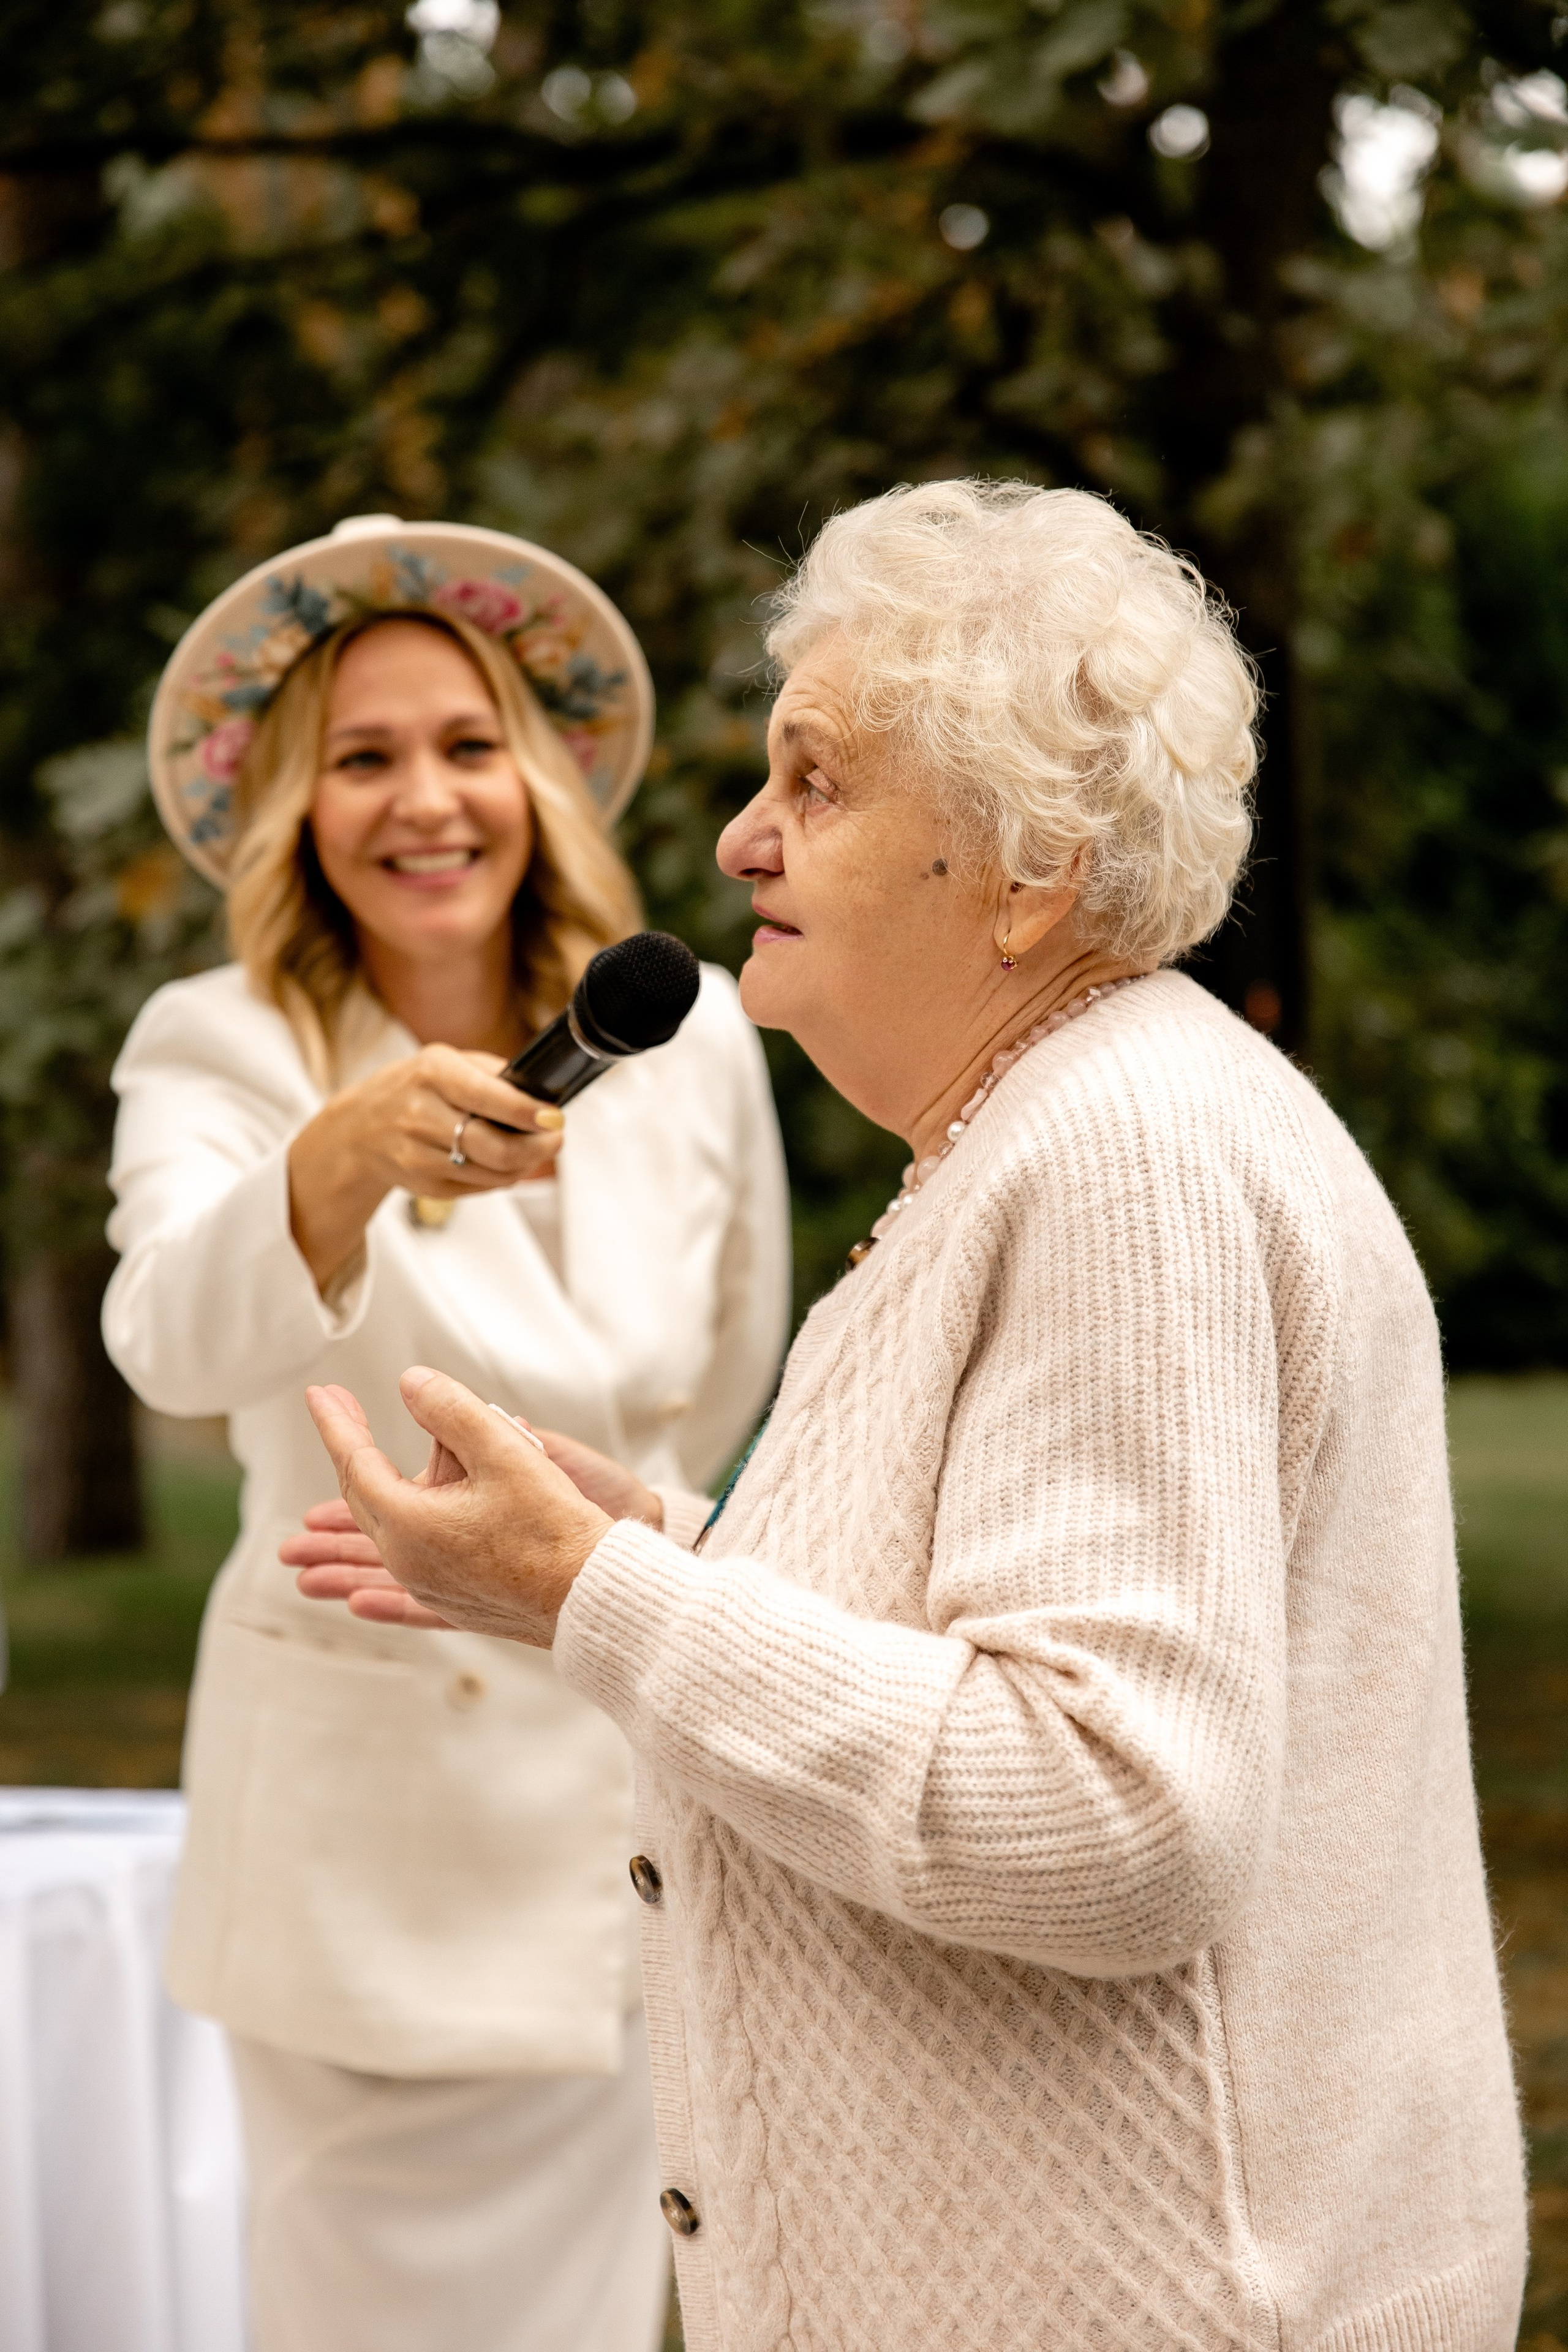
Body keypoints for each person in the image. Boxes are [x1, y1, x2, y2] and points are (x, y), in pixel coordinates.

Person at [293, 482, 1527, 2352]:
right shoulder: (1055, 1128)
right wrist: (651, 1551)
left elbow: (1116, 1810)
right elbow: (985, 1642)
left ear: (1027, 869)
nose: (740, 837)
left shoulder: (1129, 1156)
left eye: (818, 781)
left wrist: (603, 1604)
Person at [102, 516, 790, 2352]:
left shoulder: (693, 1031)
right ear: (293, 807)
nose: (429, 800)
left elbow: (722, 1376)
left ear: (541, 773)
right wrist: (336, 1162)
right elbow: (166, 1335)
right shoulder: (219, 1039)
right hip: (366, 1859)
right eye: (366, 755)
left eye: (469, 744)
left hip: (628, 1822)